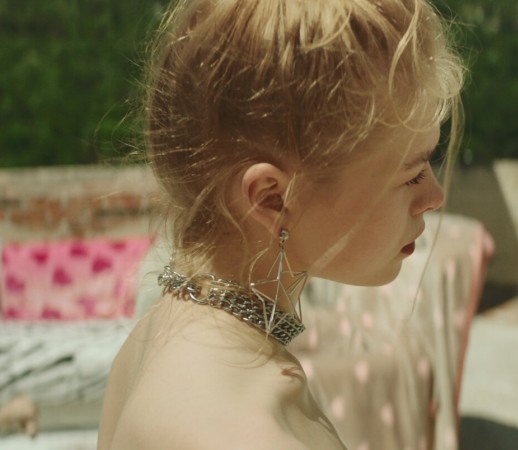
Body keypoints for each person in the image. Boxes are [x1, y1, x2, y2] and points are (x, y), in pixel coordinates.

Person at [98, 0, 464, 448]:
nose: (434, 197)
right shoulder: (244, 432)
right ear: (272, 199)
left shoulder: (155, 338)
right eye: (410, 175)